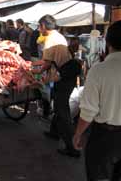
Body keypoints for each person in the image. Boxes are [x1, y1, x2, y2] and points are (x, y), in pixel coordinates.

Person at [73, 21, 121, 180]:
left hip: (106, 138)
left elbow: (89, 111)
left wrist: (77, 134)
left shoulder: (98, 70)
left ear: (107, 42)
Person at [33, 15, 80, 157]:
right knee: (59, 105)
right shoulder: (59, 36)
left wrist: (34, 72)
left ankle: (72, 147)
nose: (38, 29)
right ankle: (54, 132)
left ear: (43, 26)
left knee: (62, 110)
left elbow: (46, 63)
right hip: (67, 76)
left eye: (39, 26)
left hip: (63, 78)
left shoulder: (50, 41)